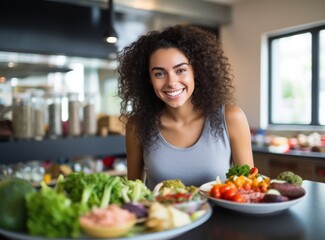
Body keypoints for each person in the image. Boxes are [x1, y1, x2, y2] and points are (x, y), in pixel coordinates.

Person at [117, 24, 254, 190]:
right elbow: (134, 194)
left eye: (180, 70)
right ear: (148, 79)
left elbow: (250, 190)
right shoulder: (137, 125)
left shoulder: (231, 117)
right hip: (162, 216)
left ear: (196, 71)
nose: (172, 82)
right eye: (159, 74)